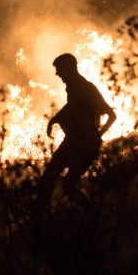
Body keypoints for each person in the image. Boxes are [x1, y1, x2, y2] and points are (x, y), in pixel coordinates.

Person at [38, 53, 116, 208]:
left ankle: (87, 216)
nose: (57, 73)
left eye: (59, 69)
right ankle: (44, 216)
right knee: (53, 181)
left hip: (84, 147)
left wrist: (98, 135)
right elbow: (72, 104)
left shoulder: (86, 88)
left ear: (69, 68)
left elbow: (111, 115)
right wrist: (55, 119)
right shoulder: (74, 89)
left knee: (60, 183)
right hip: (73, 142)